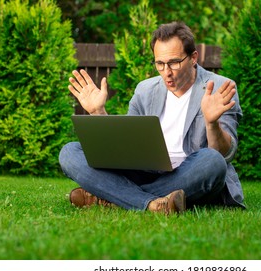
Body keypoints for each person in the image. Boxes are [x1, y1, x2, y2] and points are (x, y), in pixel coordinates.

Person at [59, 22, 245, 214]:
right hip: (144, 173)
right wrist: (98, 113)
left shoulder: (221, 88)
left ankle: (113, 197)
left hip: (188, 175)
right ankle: (153, 203)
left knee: (212, 162)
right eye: (160, 64)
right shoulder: (145, 90)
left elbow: (224, 154)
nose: (167, 72)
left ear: (193, 58)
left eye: (174, 62)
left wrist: (212, 123)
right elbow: (126, 147)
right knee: (69, 152)